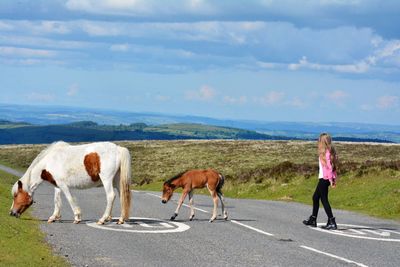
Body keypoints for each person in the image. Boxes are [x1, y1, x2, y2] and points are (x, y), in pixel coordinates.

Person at [303, 133, 338, 230]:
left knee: (324, 199)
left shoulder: (327, 153)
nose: (318, 142)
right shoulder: (327, 152)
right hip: (324, 178)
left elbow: (330, 168)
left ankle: (332, 221)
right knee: (315, 197)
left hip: (325, 179)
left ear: (323, 142)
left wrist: (331, 180)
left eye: (319, 140)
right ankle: (313, 219)